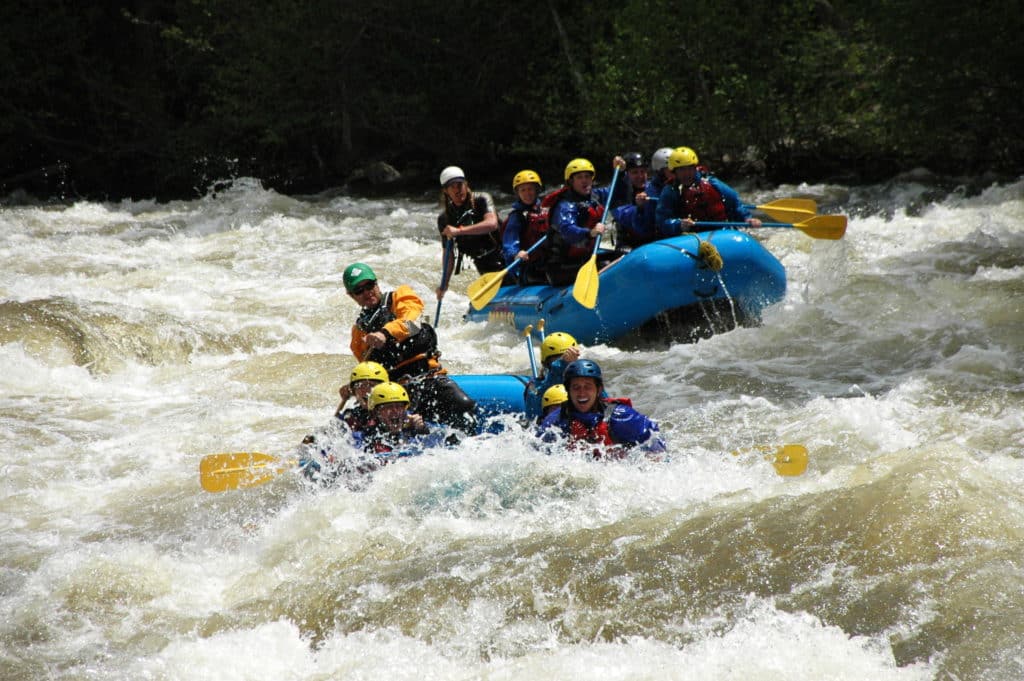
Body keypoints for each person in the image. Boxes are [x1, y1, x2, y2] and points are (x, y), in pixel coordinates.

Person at [343, 261, 477, 434]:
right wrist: (355, 388)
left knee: (464, 406)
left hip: (429, 380)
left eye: (369, 286)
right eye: (359, 291)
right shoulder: (358, 332)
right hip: (395, 394)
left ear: (376, 283)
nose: (367, 293)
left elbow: (412, 321)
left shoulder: (400, 297)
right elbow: (370, 374)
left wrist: (386, 333)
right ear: (351, 295)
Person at [537, 359, 665, 459]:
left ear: (599, 390)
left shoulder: (621, 417)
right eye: (576, 387)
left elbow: (654, 440)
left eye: (588, 387)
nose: (582, 393)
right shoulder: (555, 422)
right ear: (568, 391)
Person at [545, 156, 629, 285]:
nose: (584, 181)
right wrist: (590, 233)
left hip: (585, 258)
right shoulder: (565, 205)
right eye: (579, 177)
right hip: (561, 266)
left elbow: (618, 193)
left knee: (625, 255)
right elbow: (567, 230)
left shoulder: (595, 196)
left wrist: (621, 172)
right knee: (605, 267)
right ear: (571, 181)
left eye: (587, 176)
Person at [655, 147, 763, 237]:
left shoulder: (712, 183)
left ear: (695, 168)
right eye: (682, 170)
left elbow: (735, 203)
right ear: (675, 171)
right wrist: (679, 225)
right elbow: (663, 221)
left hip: (722, 233)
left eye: (689, 169)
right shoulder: (670, 191)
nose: (686, 173)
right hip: (691, 238)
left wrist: (747, 218)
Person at [436, 166, 504, 301]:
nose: (457, 190)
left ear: (466, 184)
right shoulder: (445, 219)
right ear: (446, 190)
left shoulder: (481, 199)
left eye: (460, 185)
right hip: (483, 264)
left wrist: (459, 231)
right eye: (452, 187)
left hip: (504, 256)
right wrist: (444, 284)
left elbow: (492, 224)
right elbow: (448, 254)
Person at [354, 382, 449, 460]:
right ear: (375, 413)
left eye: (399, 406)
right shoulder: (364, 437)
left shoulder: (416, 429)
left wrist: (422, 430)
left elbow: (444, 437)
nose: (395, 411)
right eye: (388, 407)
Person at [501, 169, 549, 285]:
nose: (527, 193)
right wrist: (516, 253)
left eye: (530, 189)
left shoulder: (547, 210)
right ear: (518, 193)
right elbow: (509, 243)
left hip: (549, 261)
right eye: (523, 190)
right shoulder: (516, 217)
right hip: (529, 267)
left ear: (537, 190)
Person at [524, 331, 580, 419]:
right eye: (559, 359)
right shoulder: (534, 387)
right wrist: (561, 364)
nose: (566, 366)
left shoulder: (582, 381)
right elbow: (536, 407)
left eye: (570, 361)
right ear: (546, 363)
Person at [609, 151, 659, 249]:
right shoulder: (619, 194)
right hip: (629, 245)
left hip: (654, 241)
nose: (640, 176)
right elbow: (624, 216)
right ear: (626, 174)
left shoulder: (652, 188)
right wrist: (639, 208)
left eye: (643, 172)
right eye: (635, 172)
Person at [334, 360, 388, 432]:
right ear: (354, 391)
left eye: (372, 385)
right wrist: (344, 400)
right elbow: (334, 429)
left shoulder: (396, 413)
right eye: (362, 385)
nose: (367, 391)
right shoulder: (353, 415)